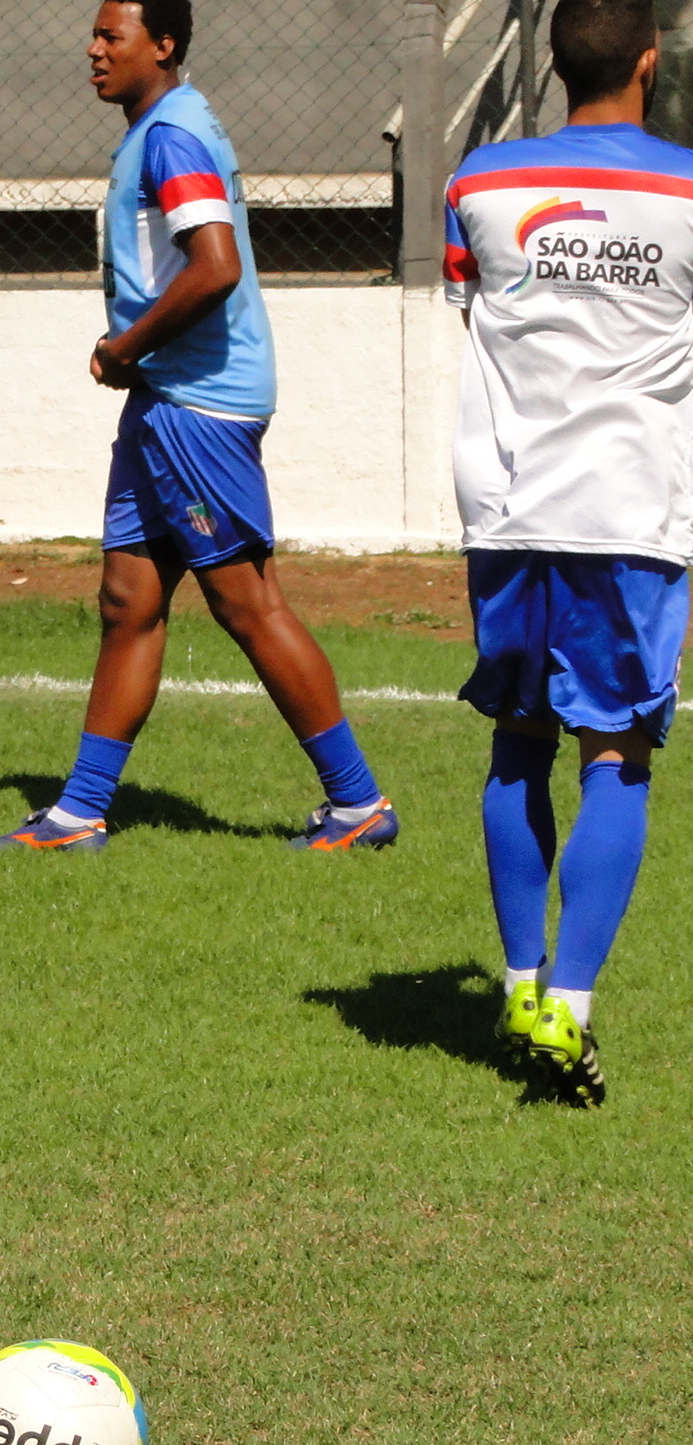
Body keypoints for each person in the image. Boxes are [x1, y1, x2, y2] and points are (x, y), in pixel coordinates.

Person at [0, 0, 396, 855]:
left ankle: (358, 804)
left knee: (246, 603)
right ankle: (80, 812)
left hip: (196, 404)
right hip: (163, 398)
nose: (92, 49)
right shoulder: (159, 128)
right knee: (128, 599)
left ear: (162, 45)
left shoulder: (172, 136)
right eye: (93, 34)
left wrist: (124, 346)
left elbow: (215, 266)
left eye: (112, 36)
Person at [444, 0, 688, 1106]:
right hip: (629, 513)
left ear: (549, 68)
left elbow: (469, 310)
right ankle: (570, 1012)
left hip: (506, 506)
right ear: (647, 62)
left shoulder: (479, 183)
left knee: (513, 743)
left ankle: (516, 984)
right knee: (615, 755)